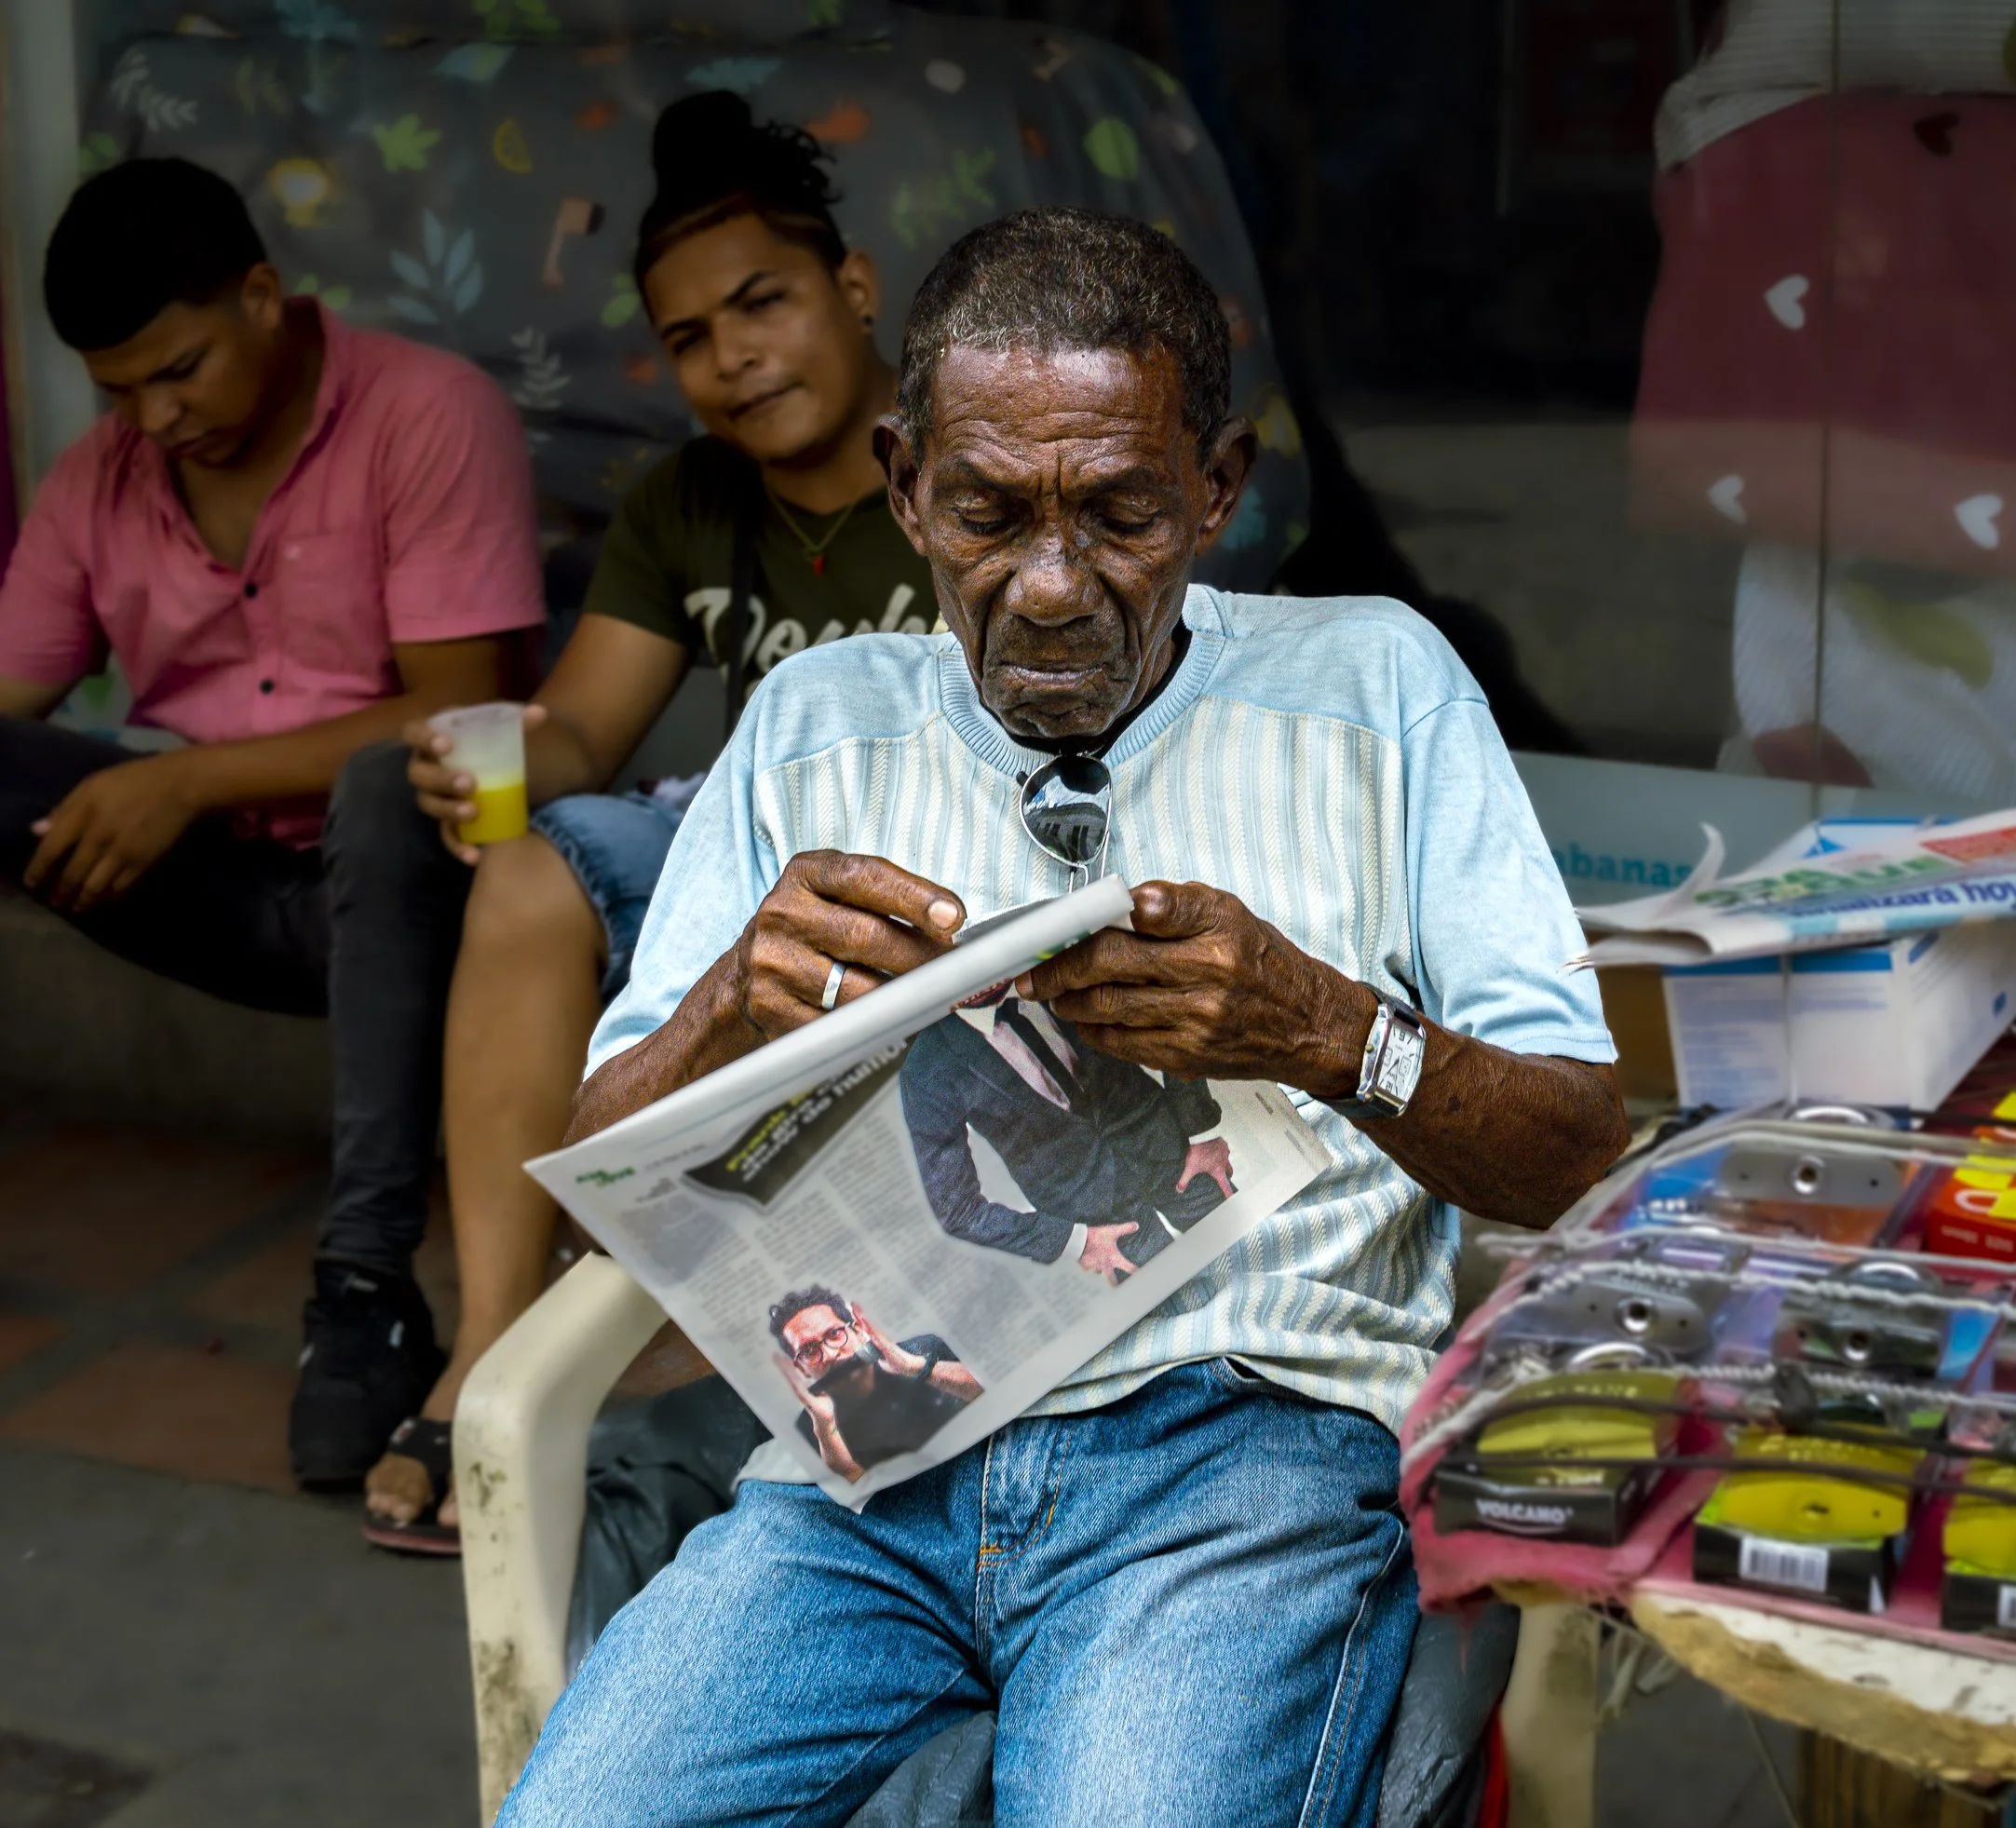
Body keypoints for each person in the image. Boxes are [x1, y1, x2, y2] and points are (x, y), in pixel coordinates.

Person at [497, 207, 1630, 1828]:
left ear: (1217, 489)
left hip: (1237, 1459)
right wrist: (728, 1014)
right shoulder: (815, 725)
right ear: (905, 485)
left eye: (1119, 513)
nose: (1046, 585)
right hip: (863, 1477)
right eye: (986, 512)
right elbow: (602, 1192)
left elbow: (1574, 1152)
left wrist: (1329, 1031)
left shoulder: (1376, 686)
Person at [362, 94, 934, 1552]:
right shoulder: (690, 500)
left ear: (854, 287)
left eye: (764, 302)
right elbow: (582, 733)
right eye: (689, 336)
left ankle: (713, 1366)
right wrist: (487, 753)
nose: (731, 353)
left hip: (931, 887)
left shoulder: (963, 462)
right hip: (735, 867)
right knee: (530, 867)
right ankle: (495, 1352)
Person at [0, 158, 543, 1488]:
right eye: (119, 390)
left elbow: (461, 707)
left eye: (179, 370)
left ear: (259, 296)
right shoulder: (101, 476)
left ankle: (366, 1288)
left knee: (387, 787)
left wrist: (184, 782)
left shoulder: (428, 415)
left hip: (421, 889)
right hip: (213, 891)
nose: (155, 416)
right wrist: (156, 796)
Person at [900, 982, 1234, 1282]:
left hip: (1175, 1156)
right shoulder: (925, 1069)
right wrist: (1074, 1241)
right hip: (1099, 1220)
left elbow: (1170, 1008)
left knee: (1250, 1250)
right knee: (1184, 1312)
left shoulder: (1056, 966)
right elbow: (958, 1211)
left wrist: (1201, 1129)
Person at [770, 1288, 983, 1482]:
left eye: (834, 1334)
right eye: (808, 1351)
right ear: (801, 1368)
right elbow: (853, 1483)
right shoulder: (811, 1423)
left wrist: (917, 1367)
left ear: (858, 1331)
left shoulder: (922, 1349)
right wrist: (825, 1427)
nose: (829, 1354)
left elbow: (985, 1393)